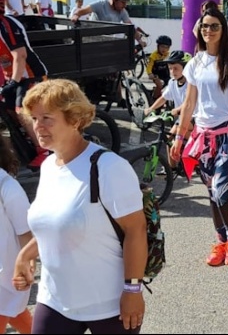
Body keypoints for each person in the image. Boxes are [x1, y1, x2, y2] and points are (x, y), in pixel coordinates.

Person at [13, 79, 148, 334]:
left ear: (74, 119)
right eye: (34, 118)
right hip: (55, 300)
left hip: (108, 304)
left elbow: (136, 231)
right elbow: (54, 224)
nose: (38, 126)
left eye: (47, 118)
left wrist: (133, 290)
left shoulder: (108, 168)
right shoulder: (49, 167)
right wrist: (26, 254)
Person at [169, 7, 228, 267]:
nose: (209, 30)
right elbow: (189, 103)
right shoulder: (196, 62)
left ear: (222, 29)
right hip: (202, 137)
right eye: (205, 26)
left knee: (220, 190)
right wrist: (180, 138)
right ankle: (220, 240)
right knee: (211, 193)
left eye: (214, 26)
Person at [0, 0, 50, 169]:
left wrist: (13, 82)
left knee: (22, 110)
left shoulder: (6, 25)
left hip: (30, 74)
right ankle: (29, 135)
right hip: (12, 76)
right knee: (7, 109)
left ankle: (43, 150)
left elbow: (20, 55)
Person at [0, 135, 34, 334]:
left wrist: (28, 265)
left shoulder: (8, 188)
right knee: (18, 315)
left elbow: (26, 233)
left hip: (7, 277)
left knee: (11, 309)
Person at [145, 50, 193, 177]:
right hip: (180, 118)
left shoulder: (191, 84)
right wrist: (150, 109)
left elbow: (189, 103)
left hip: (194, 118)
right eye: (170, 68)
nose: (172, 72)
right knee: (169, 139)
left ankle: (193, 162)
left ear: (186, 68)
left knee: (178, 133)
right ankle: (171, 168)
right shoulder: (172, 82)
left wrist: (177, 110)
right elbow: (164, 97)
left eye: (176, 68)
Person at [70, 0, 144, 42]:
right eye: (123, 2)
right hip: (93, 41)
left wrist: (140, 41)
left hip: (107, 42)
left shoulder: (122, 11)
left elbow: (130, 27)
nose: (125, 5)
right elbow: (81, 11)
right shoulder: (100, 5)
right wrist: (76, 15)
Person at [146, 35, 172, 100]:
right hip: (156, 75)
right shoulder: (153, 56)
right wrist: (150, 74)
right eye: (162, 46)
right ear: (158, 46)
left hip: (165, 74)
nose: (164, 49)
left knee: (171, 84)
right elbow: (149, 66)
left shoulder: (168, 55)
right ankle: (154, 99)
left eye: (166, 47)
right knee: (160, 85)